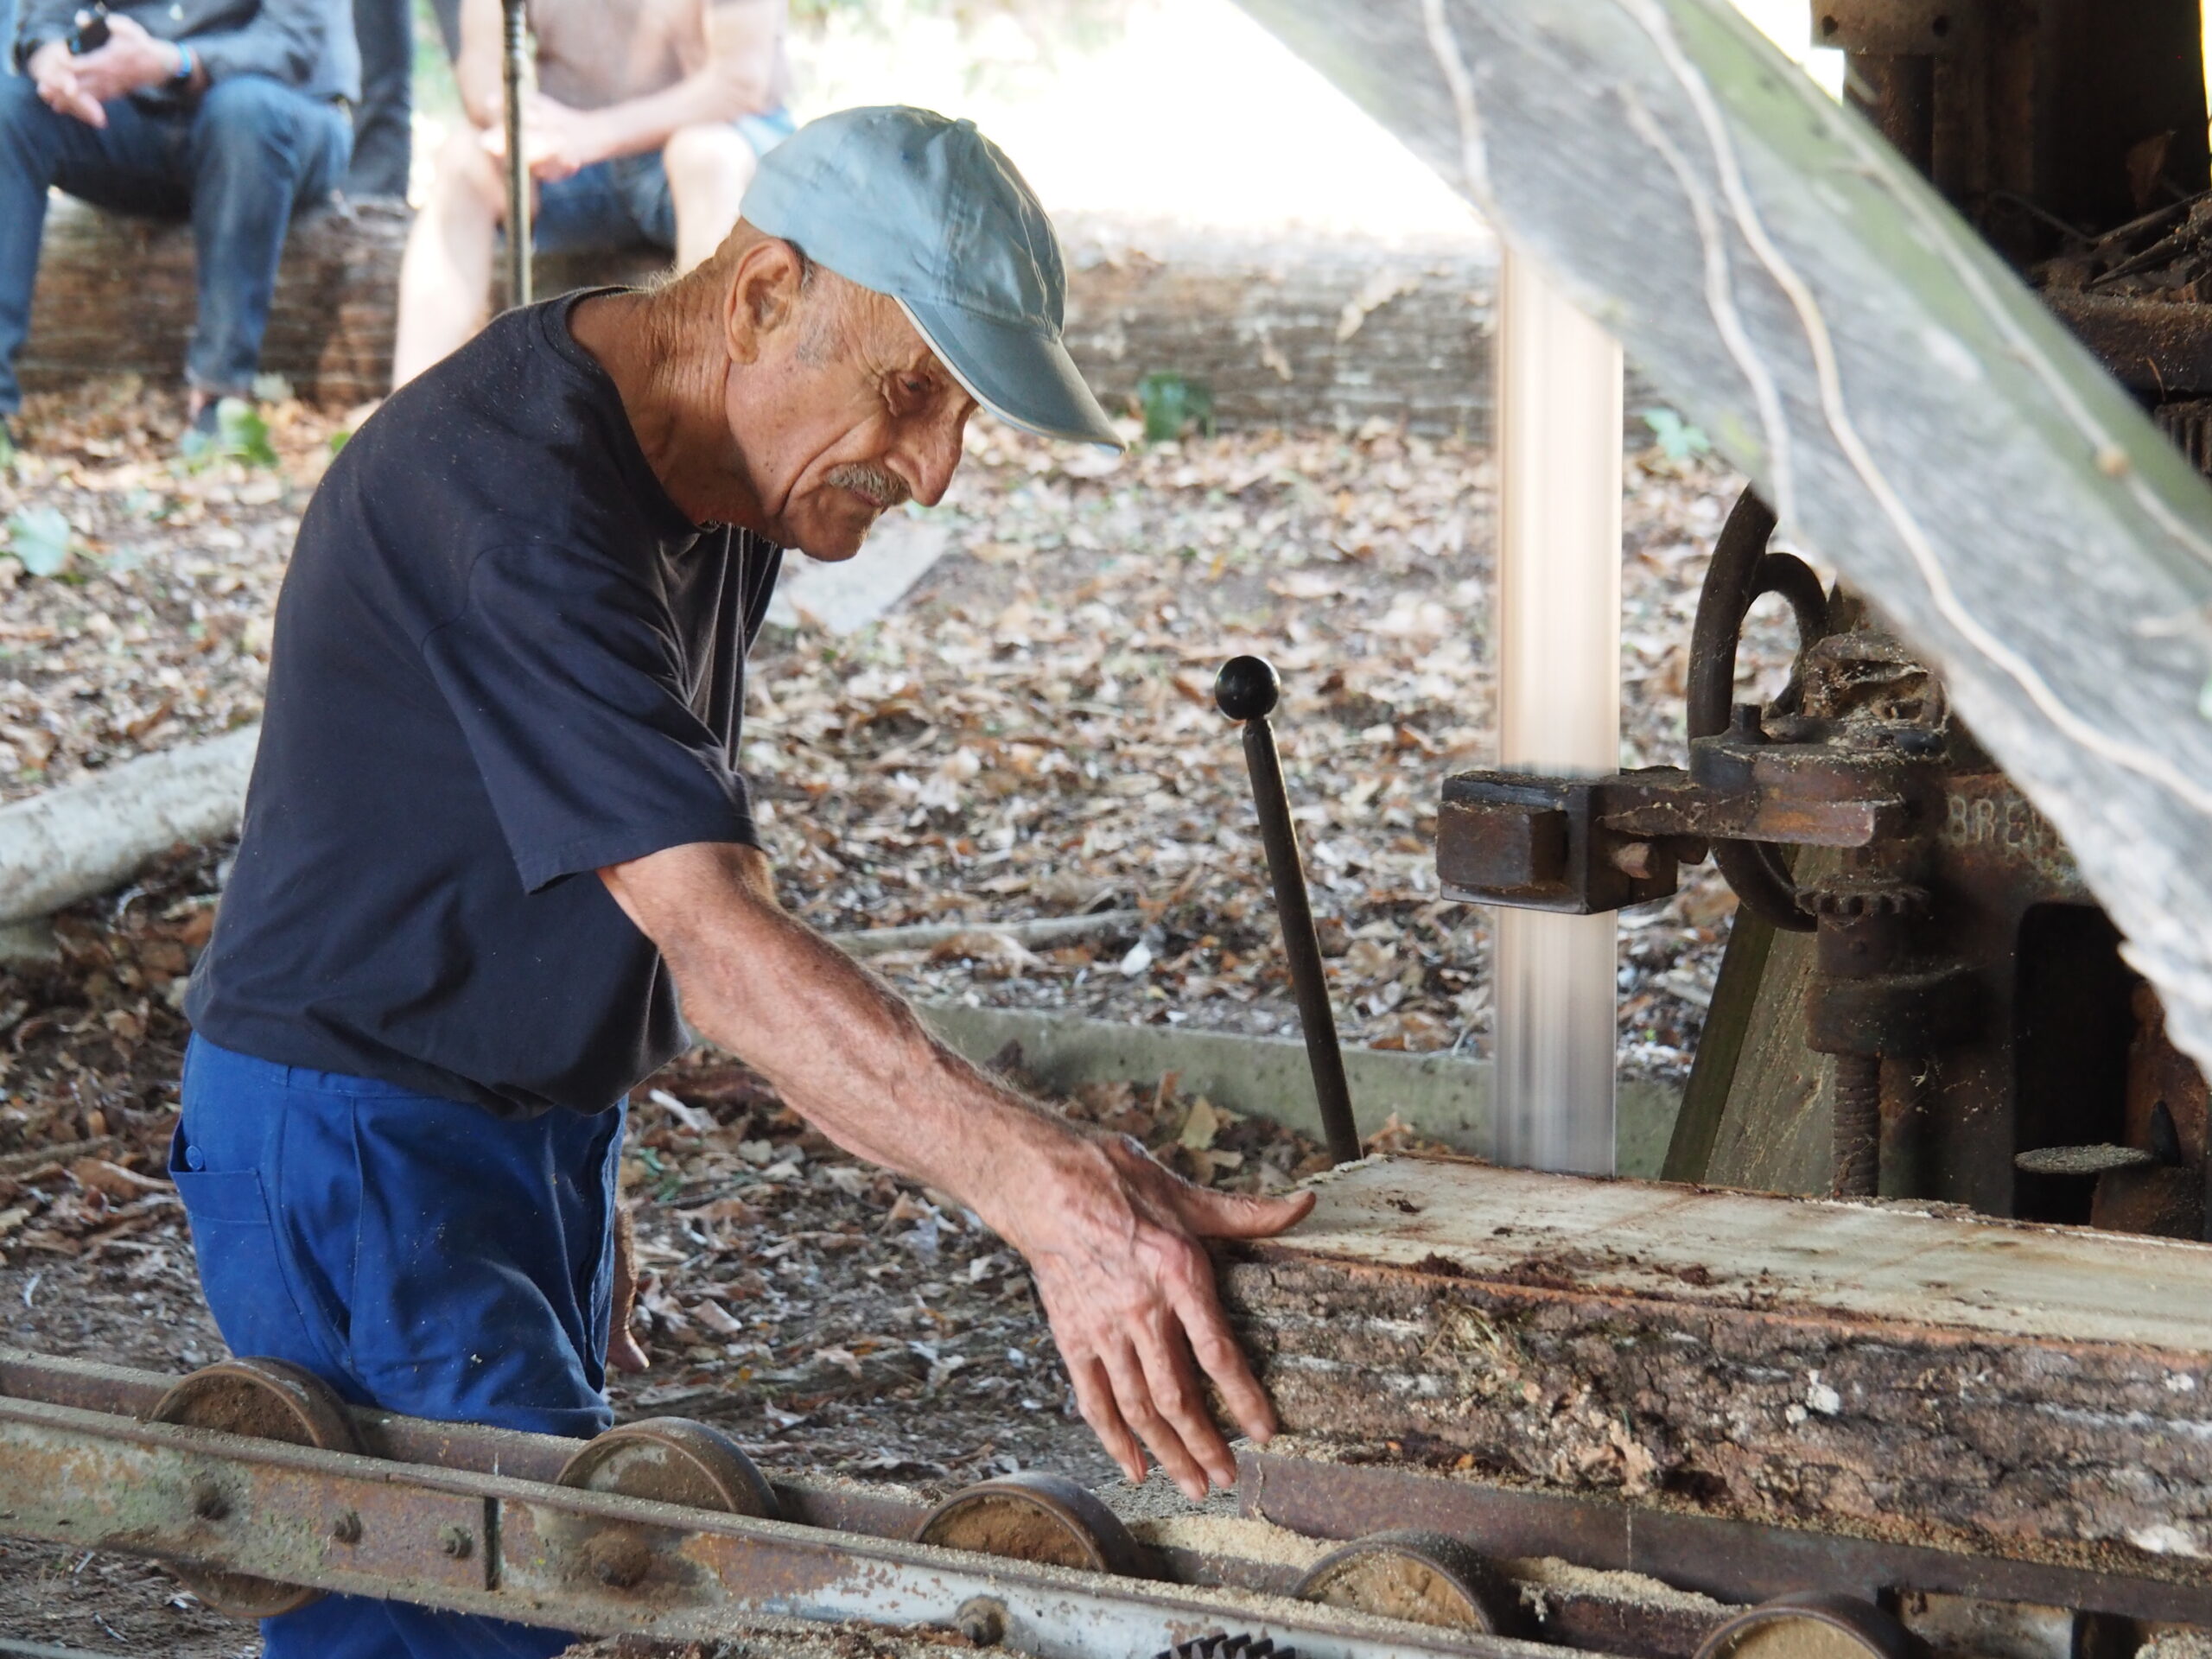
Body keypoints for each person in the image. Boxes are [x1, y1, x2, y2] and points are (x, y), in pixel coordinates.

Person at [179, 105, 1313, 1659]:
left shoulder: (728, 483)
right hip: (355, 1124)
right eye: (912, 393)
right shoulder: (509, 492)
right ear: (765, 292)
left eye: (963, 417)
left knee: (508, 1591)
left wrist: (582, 1146)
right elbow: (710, 933)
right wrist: (1052, 1199)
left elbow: (600, 849)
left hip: (507, 1115)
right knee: (475, 1615)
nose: (931, 467)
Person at [0, 0, 358, 445]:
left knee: (243, 112)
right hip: (139, 118)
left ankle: (220, 398)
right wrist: (51, 58)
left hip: (285, 112)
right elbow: (45, 18)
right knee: (8, 109)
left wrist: (171, 62)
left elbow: (294, 44)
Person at [390, 0, 793, 387]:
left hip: (720, 138)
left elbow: (740, 83)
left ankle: (701, 407)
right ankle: (405, 425)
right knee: (465, 160)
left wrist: (595, 133)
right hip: (576, 159)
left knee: (705, 155)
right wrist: (519, 126)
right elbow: (481, 66)